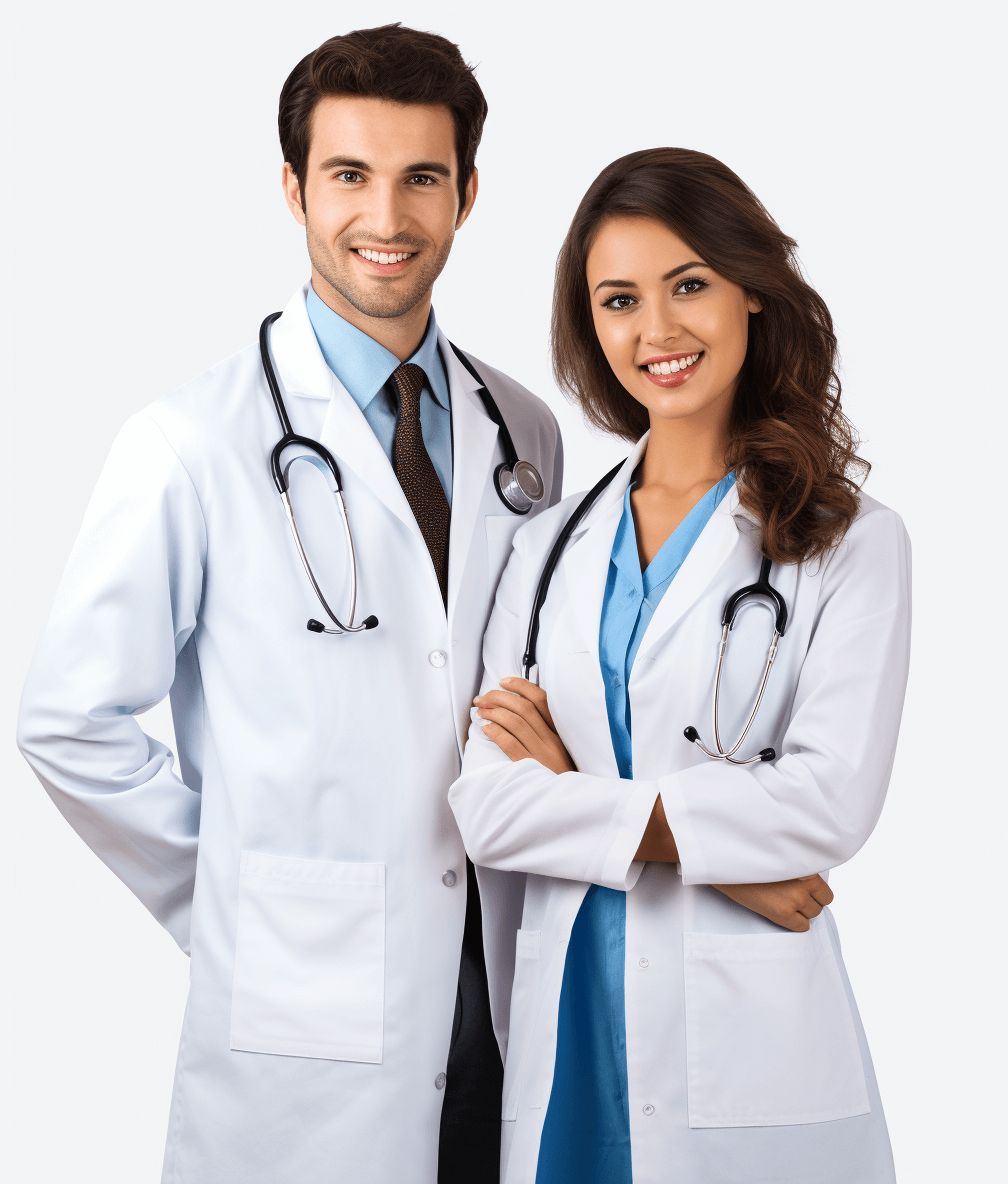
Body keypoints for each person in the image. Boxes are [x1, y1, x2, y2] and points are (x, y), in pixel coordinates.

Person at [16, 24, 564, 1184]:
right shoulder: (189, 442)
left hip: (512, 976)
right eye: (349, 175)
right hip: (307, 1012)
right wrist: (235, 906)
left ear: (468, 194)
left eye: (423, 177)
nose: (388, 216)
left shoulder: (528, 431)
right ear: (292, 188)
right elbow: (69, 720)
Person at [449, 148, 911, 1183]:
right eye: (620, 299)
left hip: (753, 1066)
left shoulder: (851, 541)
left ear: (752, 287)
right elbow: (486, 808)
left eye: (689, 284)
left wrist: (573, 791)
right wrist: (725, 856)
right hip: (570, 1036)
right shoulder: (546, 544)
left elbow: (827, 803)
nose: (656, 331)